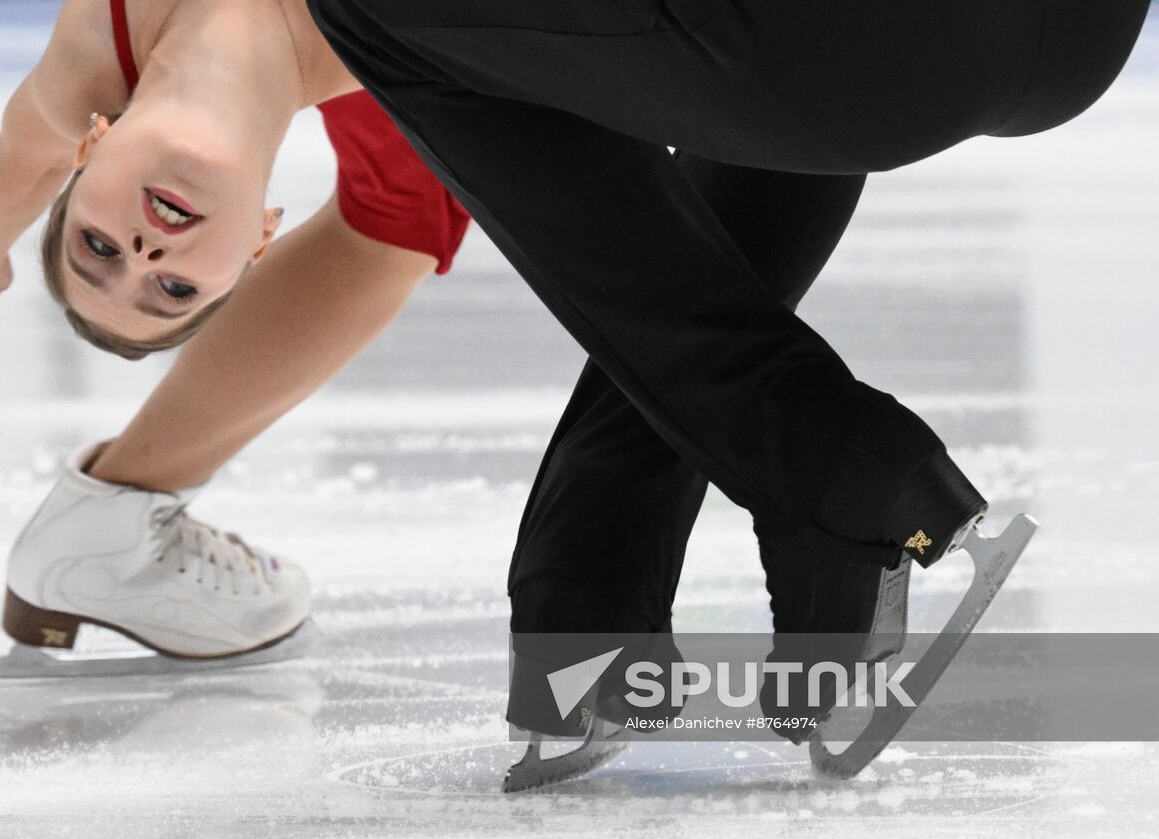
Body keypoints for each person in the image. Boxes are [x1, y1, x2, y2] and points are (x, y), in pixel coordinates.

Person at [300, 0, 1149, 777]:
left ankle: (830, 466)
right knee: (720, 43)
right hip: (1078, 36)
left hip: (890, 39)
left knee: (370, 8)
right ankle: (593, 584)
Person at [0, 0, 469, 659]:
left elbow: (26, 158)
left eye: (98, 247)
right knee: (403, 218)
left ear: (90, 147)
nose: (146, 256)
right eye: (175, 289)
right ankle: (113, 519)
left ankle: (110, 521)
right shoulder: (429, 60)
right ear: (260, 236)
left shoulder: (91, 62)